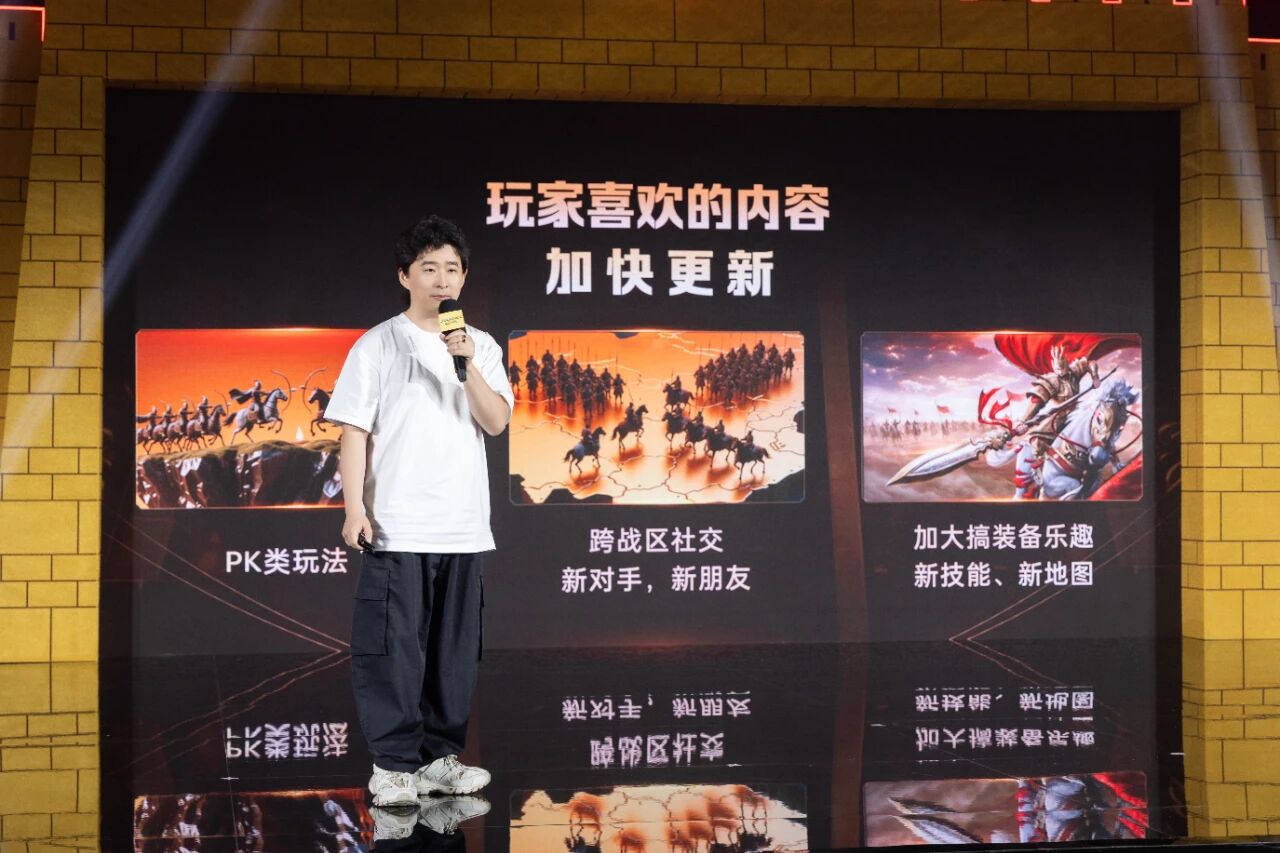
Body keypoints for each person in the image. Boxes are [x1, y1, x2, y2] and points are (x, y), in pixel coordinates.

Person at [324, 215, 514, 808]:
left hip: (462, 526)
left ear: (464, 277)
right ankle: (393, 766)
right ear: (405, 276)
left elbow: (495, 421)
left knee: (453, 653)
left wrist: (467, 364)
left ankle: (439, 760)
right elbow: (353, 431)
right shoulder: (377, 344)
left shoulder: (480, 345)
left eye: (452, 269)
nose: (442, 279)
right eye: (429, 268)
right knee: (393, 649)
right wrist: (354, 508)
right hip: (397, 524)